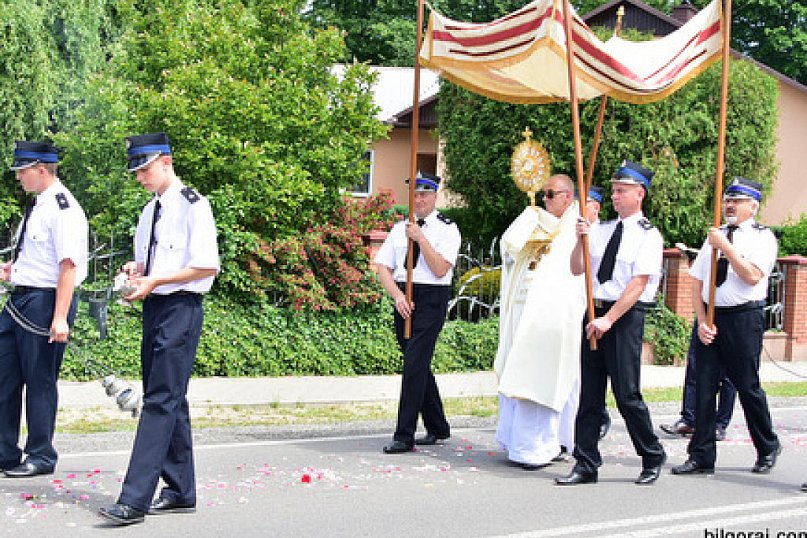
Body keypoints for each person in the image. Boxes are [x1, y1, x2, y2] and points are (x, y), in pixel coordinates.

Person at [99, 133, 219, 525]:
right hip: (155, 306)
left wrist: (157, 281)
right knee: (168, 397)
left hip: (180, 307)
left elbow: (206, 265)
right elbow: (145, 262)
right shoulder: (150, 210)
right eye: (136, 170)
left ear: (166, 161)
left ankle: (134, 498)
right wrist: (136, 273)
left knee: (159, 401)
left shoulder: (193, 205)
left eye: (145, 168)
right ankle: (181, 489)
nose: (140, 177)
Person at [556, 160, 667, 486]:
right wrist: (580, 239)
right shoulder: (601, 230)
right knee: (589, 395)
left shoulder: (649, 235)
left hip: (623, 317)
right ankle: (586, 463)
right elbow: (577, 269)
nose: (615, 197)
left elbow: (638, 283)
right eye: (614, 191)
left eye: (621, 191)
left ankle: (651, 453)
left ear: (639, 194)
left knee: (626, 393)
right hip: (595, 312)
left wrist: (608, 319)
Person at [672, 177, 780, 477]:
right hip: (711, 318)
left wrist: (727, 249)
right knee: (704, 388)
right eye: (727, 200)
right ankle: (701, 454)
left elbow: (752, 276)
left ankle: (767, 446)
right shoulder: (715, 234)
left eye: (737, 201)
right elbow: (696, 280)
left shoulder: (762, 238)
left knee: (747, 387)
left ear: (753, 206)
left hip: (743, 319)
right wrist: (702, 319)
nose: (729, 205)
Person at [0, 141, 88, 478]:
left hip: (46, 301)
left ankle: (41, 454)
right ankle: (5, 451)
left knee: (39, 379)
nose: (18, 177)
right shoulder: (38, 206)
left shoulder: (63, 208)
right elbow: (38, 259)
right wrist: (13, 271)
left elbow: (68, 266)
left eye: (22, 171)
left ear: (40, 169)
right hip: (21, 298)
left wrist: (60, 317)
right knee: (5, 375)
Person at [495, 174, 586, 469]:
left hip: (553, 317)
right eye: (543, 194)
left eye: (551, 194)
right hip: (523, 315)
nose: (544, 199)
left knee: (547, 379)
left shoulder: (576, 228)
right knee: (521, 376)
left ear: (568, 197)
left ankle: (546, 445)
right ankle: (518, 443)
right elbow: (508, 251)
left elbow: (576, 275)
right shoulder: (534, 221)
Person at [374, 172, 461, 454]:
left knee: (413, 365)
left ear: (436, 196)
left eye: (425, 194)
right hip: (404, 297)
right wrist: (398, 295)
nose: (419, 199)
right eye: (415, 194)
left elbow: (439, 269)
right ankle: (438, 427)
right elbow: (383, 267)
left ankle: (404, 434)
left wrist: (421, 239)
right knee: (419, 364)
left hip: (431, 298)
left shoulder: (448, 229)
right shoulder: (399, 229)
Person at [660, 322, 736, 441]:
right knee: (695, 369)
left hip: (732, 315)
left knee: (728, 376)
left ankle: (719, 424)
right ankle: (689, 420)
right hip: (705, 317)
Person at [583, 184, 613, 441]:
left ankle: (601, 415)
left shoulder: (604, 232)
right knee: (586, 377)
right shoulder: (579, 231)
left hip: (604, 309)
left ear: (597, 207)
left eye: (587, 203)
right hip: (579, 306)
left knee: (624, 388)